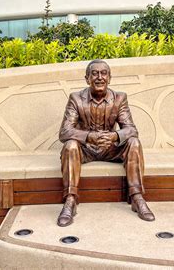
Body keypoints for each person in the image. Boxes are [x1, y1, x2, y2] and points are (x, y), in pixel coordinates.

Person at [57, 59, 155, 227]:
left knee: (134, 142)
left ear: (110, 78)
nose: (99, 77)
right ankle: (70, 200)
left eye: (104, 73)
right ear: (87, 78)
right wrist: (89, 136)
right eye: (94, 73)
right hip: (86, 149)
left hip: (110, 149)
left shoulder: (119, 98)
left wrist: (114, 136)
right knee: (70, 145)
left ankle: (137, 197)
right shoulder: (76, 98)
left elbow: (131, 129)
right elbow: (64, 132)